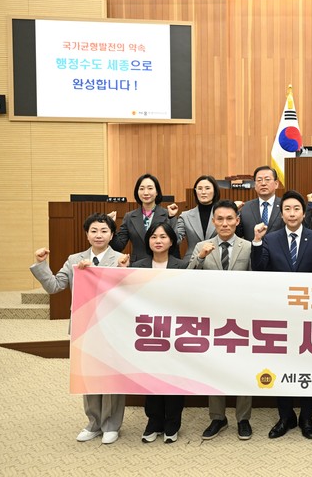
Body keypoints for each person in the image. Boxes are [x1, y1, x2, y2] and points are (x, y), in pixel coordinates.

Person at [30, 213, 126, 445]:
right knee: (89, 376)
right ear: (87, 234)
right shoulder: (75, 259)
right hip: (84, 326)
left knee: (111, 377)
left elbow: (127, 292)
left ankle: (111, 424)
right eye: (94, 230)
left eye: (104, 231)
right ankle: (94, 423)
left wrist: (121, 270)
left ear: (112, 235)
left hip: (112, 327)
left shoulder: (120, 259)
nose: (99, 235)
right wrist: (42, 264)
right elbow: (54, 286)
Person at [251, 191, 312, 440]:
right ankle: (285, 416)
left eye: (296, 209)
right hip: (279, 314)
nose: (292, 214)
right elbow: (259, 269)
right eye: (287, 209)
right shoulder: (270, 239)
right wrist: (257, 242)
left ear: (304, 213)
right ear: (281, 214)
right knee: (280, 364)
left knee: (307, 365)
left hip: (308, 313)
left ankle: (306, 417)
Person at [188, 199, 254, 441]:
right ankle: (217, 417)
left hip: (241, 317)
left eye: (229, 219)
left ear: (237, 221)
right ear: (214, 222)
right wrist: (200, 257)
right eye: (220, 219)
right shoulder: (201, 246)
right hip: (212, 317)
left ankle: (243, 419)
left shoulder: (248, 247)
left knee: (242, 368)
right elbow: (186, 279)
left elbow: (257, 280)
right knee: (214, 367)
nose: (225, 224)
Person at [128, 221, 188, 444]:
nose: (158, 241)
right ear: (148, 241)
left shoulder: (182, 266)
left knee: (173, 377)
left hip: (175, 331)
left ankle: (172, 423)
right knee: (151, 377)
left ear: (172, 241)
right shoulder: (138, 266)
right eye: (154, 237)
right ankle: (153, 421)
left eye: (163, 237)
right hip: (148, 331)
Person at [111, 173, 179, 263]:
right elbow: (118, 246)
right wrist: (110, 225)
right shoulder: (129, 217)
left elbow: (175, 241)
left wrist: (172, 217)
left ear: (157, 192)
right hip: (138, 265)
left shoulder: (168, 214)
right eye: (142, 189)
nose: (146, 193)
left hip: (163, 264)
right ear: (137, 192)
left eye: (150, 188)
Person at [176, 174, 219, 262]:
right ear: (195, 192)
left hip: (217, 261)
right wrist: (171, 217)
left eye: (207, 188)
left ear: (215, 191)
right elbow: (176, 240)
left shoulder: (222, 216)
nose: (203, 192)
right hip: (192, 261)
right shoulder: (185, 216)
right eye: (199, 188)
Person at [236, 166, 283, 241]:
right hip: (252, 248)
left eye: (267, 179)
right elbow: (237, 235)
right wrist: (234, 213)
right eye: (259, 180)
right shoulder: (245, 208)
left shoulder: (284, 206)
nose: (263, 183)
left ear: (276, 184)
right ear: (255, 185)